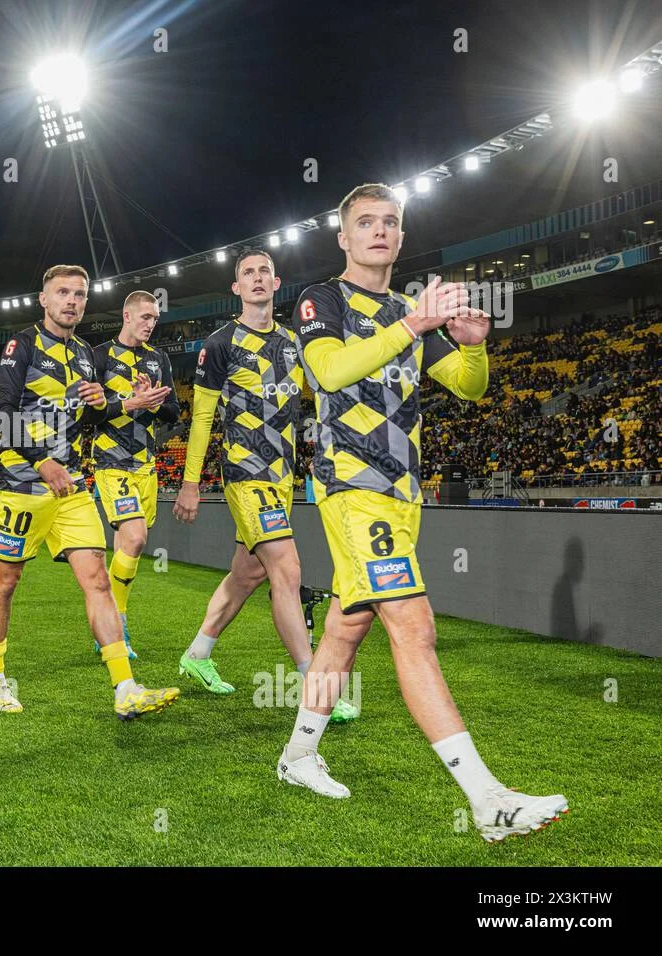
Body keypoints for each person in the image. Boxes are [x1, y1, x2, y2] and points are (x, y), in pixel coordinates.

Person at [276, 182, 566, 842]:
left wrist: (475, 344)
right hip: (351, 486)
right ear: (344, 238)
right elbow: (327, 372)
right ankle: (487, 798)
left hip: (403, 491)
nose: (380, 230)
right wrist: (413, 324)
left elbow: (467, 387)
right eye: (366, 222)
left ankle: (298, 757)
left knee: (348, 631)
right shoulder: (322, 299)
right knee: (413, 623)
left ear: (401, 238)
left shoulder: (410, 310)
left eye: (391, 222)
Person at [0, 264, 179, 720]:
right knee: (5, 583)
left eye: (80, 294)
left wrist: (115, 404)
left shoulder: (88, 354)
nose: (72, 301)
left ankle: (124, 687)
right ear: (44, 300)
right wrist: (43, 461)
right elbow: (2, 414)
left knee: (97, 581)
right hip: (22, 484)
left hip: (72, 487)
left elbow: (92, 418)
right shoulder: (22, 344)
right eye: (63, 292)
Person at [172, 250, 359, 721]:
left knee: (248, 574)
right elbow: (201, 417)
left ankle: (196, 655)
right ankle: (314, 684)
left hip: (282, 477)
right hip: (244, 472)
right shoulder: (219, 344)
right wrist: (190, 482)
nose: (256, 279)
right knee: (287, 570)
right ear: (236, 289)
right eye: (247, 274)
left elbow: (325, 400)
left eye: (264, 272)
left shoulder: (296, 344)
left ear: (278, 284)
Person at [90, 290, 179, 659]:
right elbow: (85, 415)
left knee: (129, 546)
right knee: (137, 537)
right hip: (111, 462)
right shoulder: (98, 356)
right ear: (126, 315)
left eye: (155, 318)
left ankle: (103, 627)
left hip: (146, 465)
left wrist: (155, 403)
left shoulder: (158, 359)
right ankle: (117, 626)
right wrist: (129, 402)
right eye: (144, 317)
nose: (150, 323)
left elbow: (173, 414)